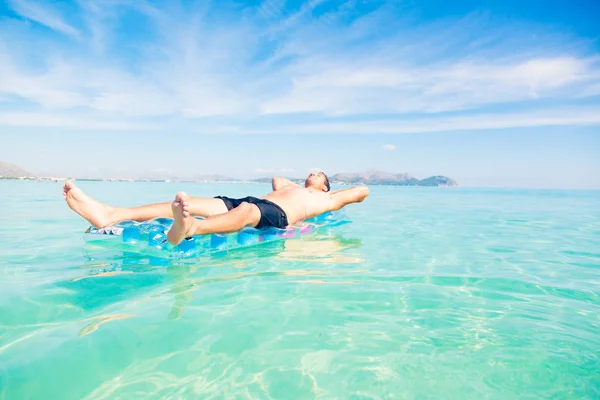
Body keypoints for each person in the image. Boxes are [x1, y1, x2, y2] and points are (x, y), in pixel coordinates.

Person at [63, 171, 369, 245]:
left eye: (319, 172)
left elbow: (362, 191)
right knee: (189, 202)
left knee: (248, 212)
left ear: (327, 185)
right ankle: (111, 214)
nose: (312, 171)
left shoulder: (328, 199)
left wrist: (330, 191)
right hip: (253, 202)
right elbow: (277, 178)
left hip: (277, 216)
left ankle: (193, 227)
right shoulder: (291, 186)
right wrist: (304, 184)